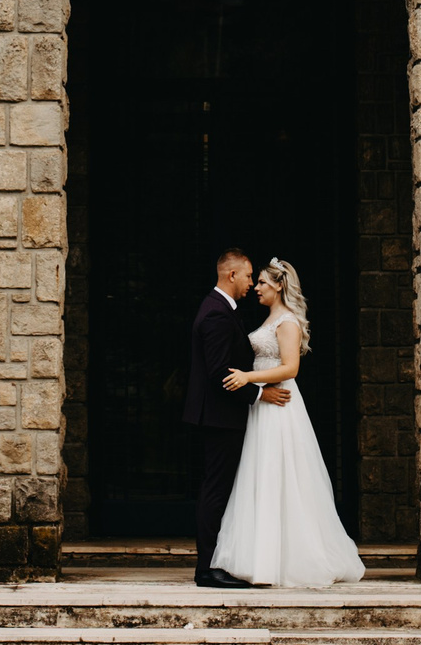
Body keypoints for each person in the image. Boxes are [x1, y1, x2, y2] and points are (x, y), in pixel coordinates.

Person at [209, 257, 365, 587]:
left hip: (280, 405)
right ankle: (260, 557)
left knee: (280, 473)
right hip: (263, 405)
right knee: (260, 474)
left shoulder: (288, 321)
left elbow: (291, 368)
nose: (257, 287)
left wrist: (248, 377)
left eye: (263, 282)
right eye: (256, 281)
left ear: (279, 286)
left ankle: (290, 559)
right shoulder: (270, 318)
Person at [183, 248, 292, 588]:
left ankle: (219, 562)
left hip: (221, 416)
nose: (250, 284)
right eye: (247, 276)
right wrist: (261, 394)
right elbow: (219, 373)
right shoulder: (217, 313)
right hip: (219, 417)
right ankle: (207, 569)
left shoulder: (220, 308)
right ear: (232, 275)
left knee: (218, 488)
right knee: (216, 491)